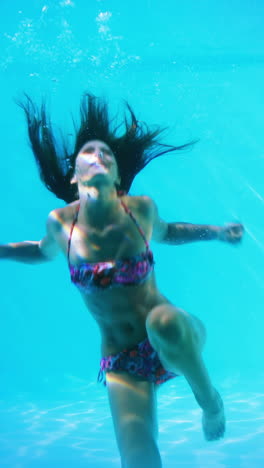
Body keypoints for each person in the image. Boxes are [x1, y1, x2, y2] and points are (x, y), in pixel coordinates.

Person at [0, 93, 244, 468]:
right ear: (73, 174)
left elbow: (170, 230)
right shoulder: (61, 223)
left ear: (116, 175)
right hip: (120, 356)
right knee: (137, 456)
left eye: (107, 154)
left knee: (163, 322)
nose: (99, 156)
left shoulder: (140, 210)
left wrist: (215, 232)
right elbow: (38, 250)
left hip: (175, 338)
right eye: (89, 153)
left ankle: (210, 403)